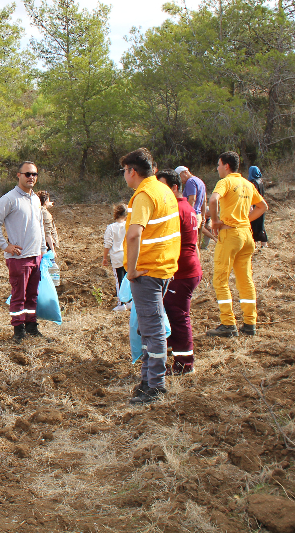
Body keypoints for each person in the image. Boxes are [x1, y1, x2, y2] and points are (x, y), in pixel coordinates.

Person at [121, 148, 181, 405]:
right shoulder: (164, 190)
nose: (124, 175)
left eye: (124, 171)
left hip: (148, 270)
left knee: (153, 329)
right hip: (163, 267)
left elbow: (134, 234)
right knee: (147, 327)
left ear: (132, 172)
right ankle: (147, 379)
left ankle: (155, 386)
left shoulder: (143, 195)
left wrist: (131, 270)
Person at [206, 151, 268, 338]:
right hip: (246, 236)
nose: (217, 168)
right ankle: (250, 323)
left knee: (220, 279)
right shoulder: (247, 184)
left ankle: (228, 323)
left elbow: (214, 199)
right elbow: (263, 206)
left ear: (226, 165)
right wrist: (245, 220)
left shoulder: (225, 182)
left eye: (218, 165)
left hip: (230, 235)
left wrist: (215, 221)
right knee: (245, 279)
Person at [0, 161, 45, 344]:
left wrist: (43, 250)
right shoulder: (9, 199)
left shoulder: (35, 198)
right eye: (27, 174)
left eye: (34, 174)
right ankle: (18, 330)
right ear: (18, 175)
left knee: (33, 294)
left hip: (36, 256)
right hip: (19, 258)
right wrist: (5, 246)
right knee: (19, 295)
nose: (31, 177)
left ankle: (31, 326)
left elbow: (40, 225)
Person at [156, 169, 201, 375]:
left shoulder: (176, 209)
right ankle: (173, 352)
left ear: (175, 188)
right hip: (188, 269)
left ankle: (185, 365)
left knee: (178, 316)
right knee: (173, 313)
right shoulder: (188, 207)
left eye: (163, 186)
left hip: (181, 272)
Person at [102, 203, 129, 312]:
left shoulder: (111, 227)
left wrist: (104, 257)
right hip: (128, 255)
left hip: (117, 257)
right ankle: (129, 301)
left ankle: (121, 303)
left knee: (119, 280)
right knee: (128, 279)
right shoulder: (128, 225)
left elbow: (107, 244)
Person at [248, 166, 268, 248]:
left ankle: (254, 243)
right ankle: (264, 244)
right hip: (261, 204)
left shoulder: (253, 182)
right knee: (261, 225)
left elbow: (252, 195)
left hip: (256, 205)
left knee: (253, 225)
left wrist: (251, 206)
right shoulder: (261, 181)